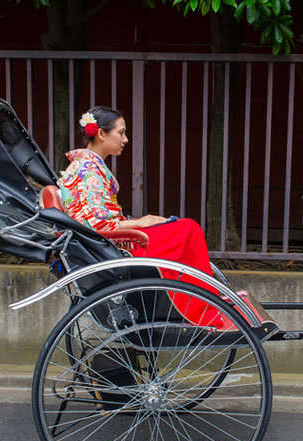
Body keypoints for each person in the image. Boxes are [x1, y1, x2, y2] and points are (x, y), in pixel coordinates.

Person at [58, 105, 222, 326]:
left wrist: (141, 222)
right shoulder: (88, 169)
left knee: (180, 227)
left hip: (109, 241)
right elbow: (97, 224)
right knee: (188, 228)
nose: (125, 139)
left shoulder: (86, 166)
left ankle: (200, 301)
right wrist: (140, 222)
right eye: (121, 132)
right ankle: (202, 306)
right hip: (115, 245)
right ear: (101, 134)